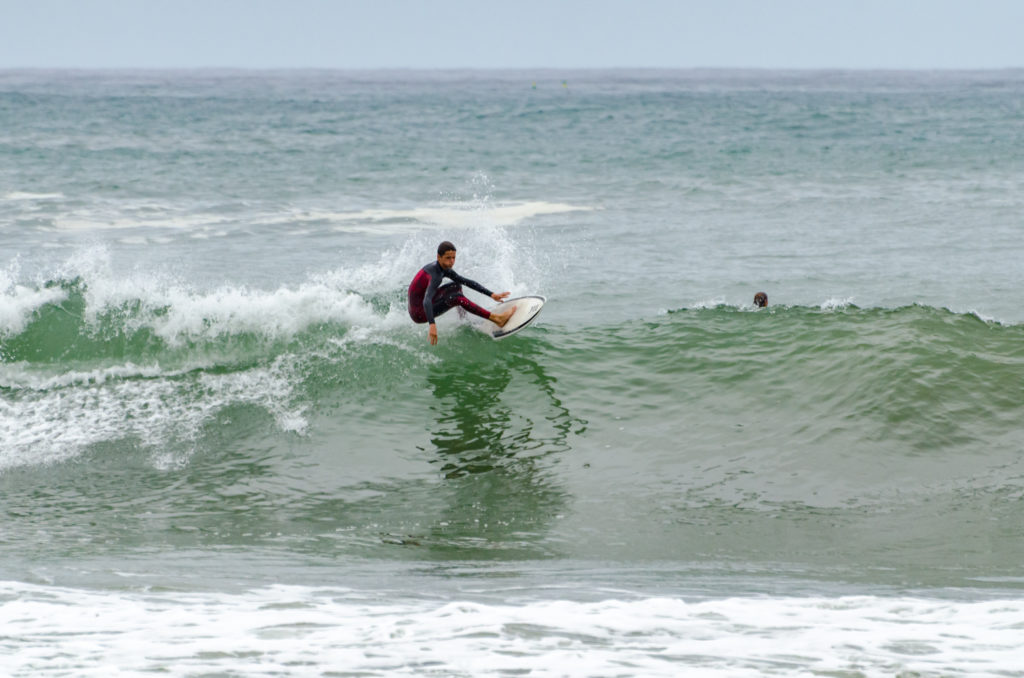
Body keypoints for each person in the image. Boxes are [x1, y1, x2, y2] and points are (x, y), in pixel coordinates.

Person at [408, 241, 516, 345]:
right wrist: (432, 324)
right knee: (456, 298)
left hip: (421, 303)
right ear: (438, 257)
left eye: (453, 258)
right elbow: (427, 300)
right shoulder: (434, 275)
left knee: (457, 285)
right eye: (448, 258)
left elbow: (466, 282)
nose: (451, 261)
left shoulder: (443, 267)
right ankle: (497, 319)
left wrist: (491, 294)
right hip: (419, 313)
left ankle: (464, 319)